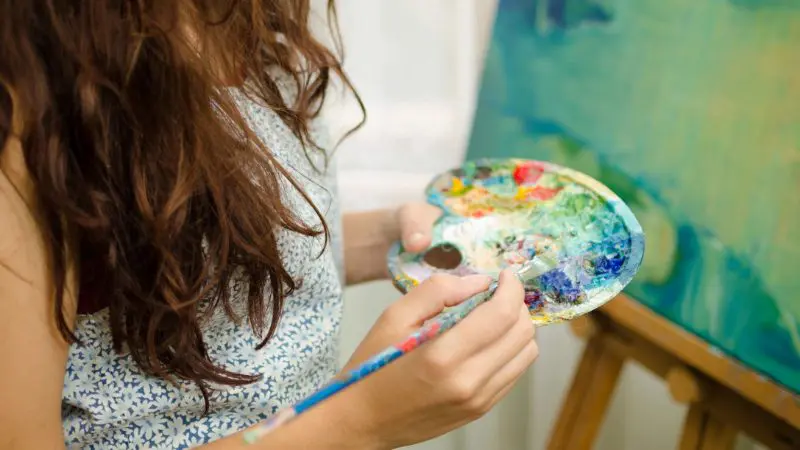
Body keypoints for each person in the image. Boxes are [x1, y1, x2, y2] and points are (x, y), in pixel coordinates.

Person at [0, 1, 539, 449]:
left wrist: (381, 240)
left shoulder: (238, 18)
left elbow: (190, 264)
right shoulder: (28, 112)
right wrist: (363, 419)